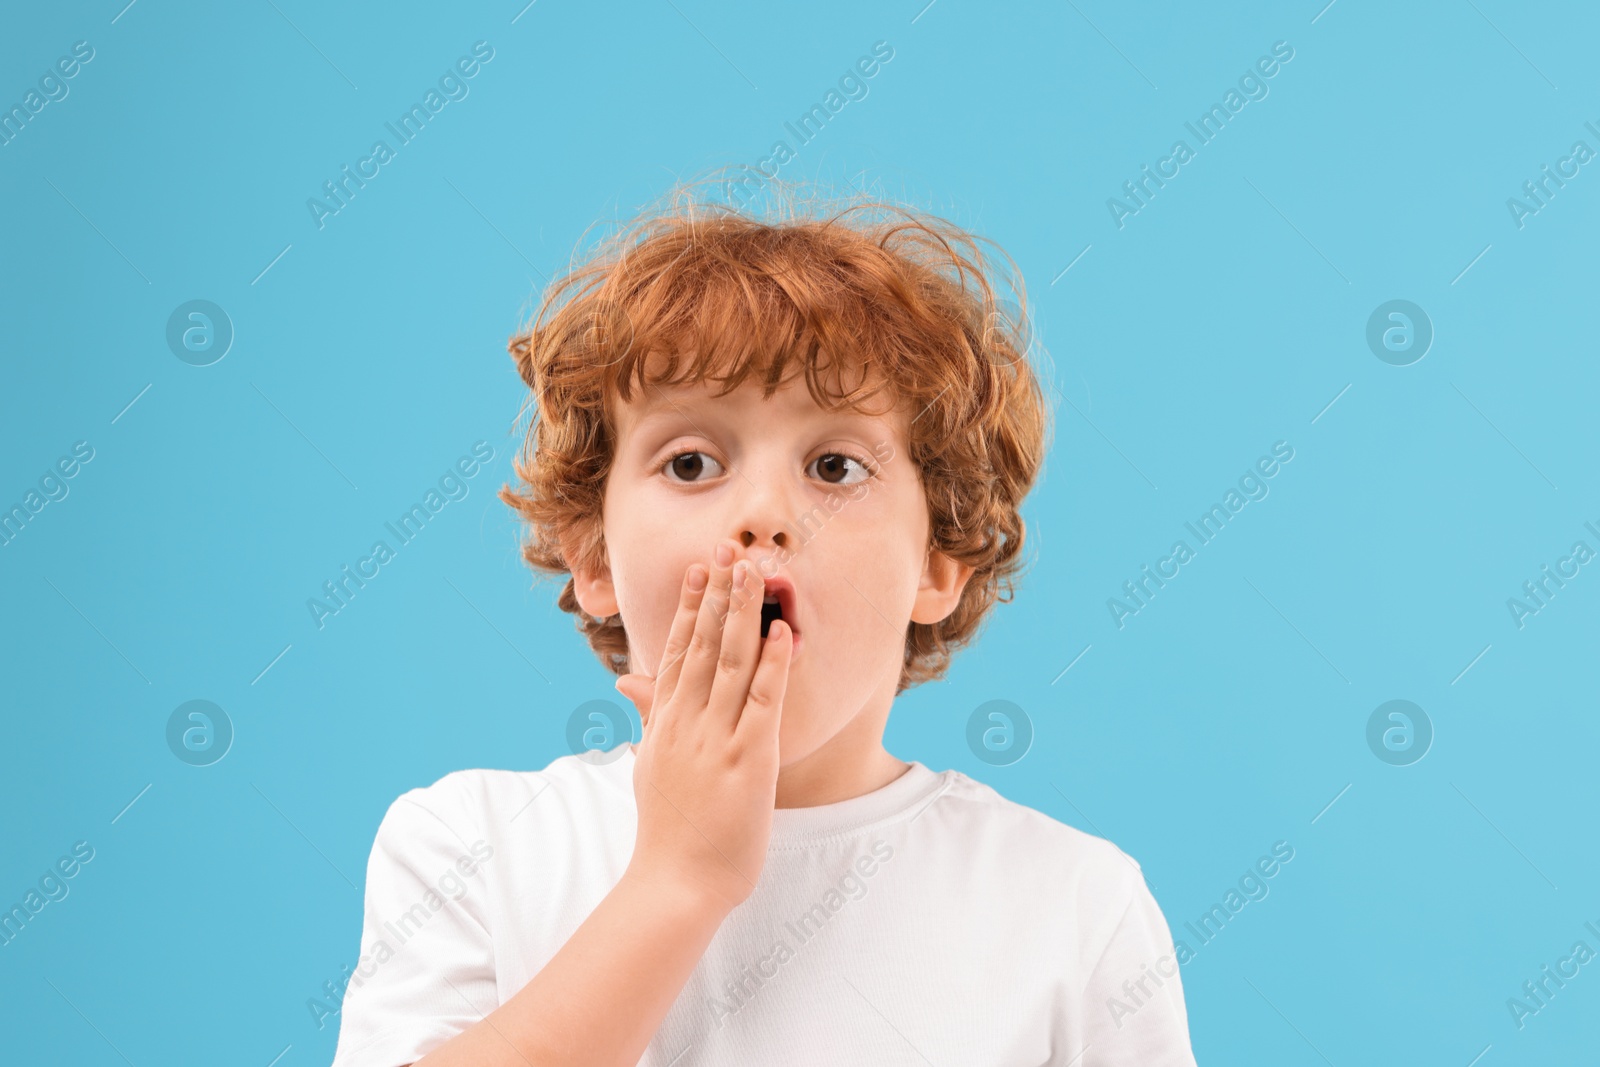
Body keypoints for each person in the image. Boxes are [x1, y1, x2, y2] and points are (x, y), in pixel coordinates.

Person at [329, 173, 1199, 1066]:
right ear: (593, 554)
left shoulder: (1074, 908)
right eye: (693, 460)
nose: (764, 512)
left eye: (834, 467)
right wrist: (678, 877)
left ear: (940, 563)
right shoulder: (474, 845)